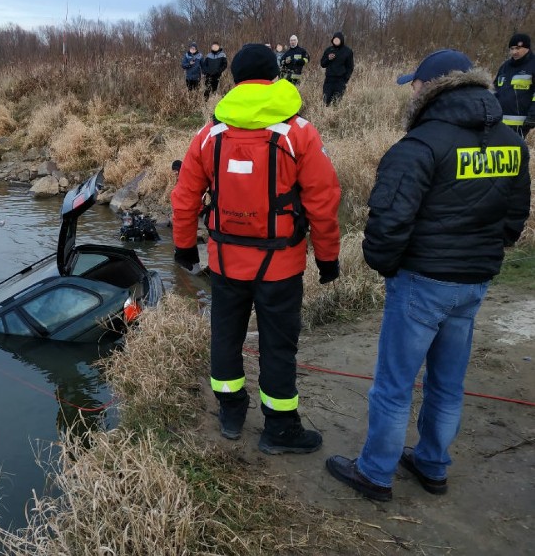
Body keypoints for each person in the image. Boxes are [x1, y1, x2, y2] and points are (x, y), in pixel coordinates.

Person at [326, 50, 531, 502]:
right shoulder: (512, 143)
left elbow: (388, 222)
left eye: (415, 84)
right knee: (447, 381)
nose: (411, 91)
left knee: (394, 384)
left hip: (422, 281)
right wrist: (484, 254)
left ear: (433, 87)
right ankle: (432, 464)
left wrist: (386, 265)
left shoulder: (418, 146)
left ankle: (375, 473)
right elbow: (515, 218)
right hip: (474, 282)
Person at [172, 44, 342, 454]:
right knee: (278, 346)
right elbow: (323, 200)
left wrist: (184, 250)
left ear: (234, 79)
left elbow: (184, 197)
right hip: (281, 267)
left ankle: (231, 414)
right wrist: (327, 257)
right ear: (276, 76)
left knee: (225, 339)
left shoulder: (209, 134)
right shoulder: (298, 132)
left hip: (226, 264)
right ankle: (280, 430)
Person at [494, 32, 535, 137]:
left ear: (527, 48)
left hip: (521, 124)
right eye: (512, 49)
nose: (514, 52)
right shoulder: (505, 66)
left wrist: (532, 116)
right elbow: (494, 90)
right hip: (499, 122)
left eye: (518, 48)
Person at [320, 32, 354, 106]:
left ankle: (334, 116)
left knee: (336, 102)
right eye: (334, 39)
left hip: (340, 81)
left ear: (341, 40)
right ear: (332, 40)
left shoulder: (347, 51)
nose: (336, 41)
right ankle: (325, 116)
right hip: (329, 80)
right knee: (325, 101)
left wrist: (345, 79)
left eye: (338, 39)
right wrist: (328, 59)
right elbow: (322, 64)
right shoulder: (328, 50)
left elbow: (350, 67)